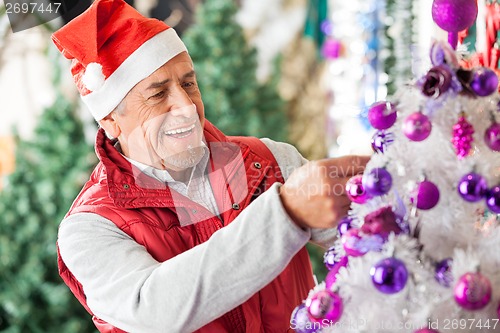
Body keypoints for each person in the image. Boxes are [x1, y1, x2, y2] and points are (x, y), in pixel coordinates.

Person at [52, 0, 369, 332]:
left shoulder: (267, 161)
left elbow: (367, 227)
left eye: (188, 84)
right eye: (158, 95)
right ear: (110, 119)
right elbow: (156, 311)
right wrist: (285, 214)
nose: (186, 107)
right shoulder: (89, 228)